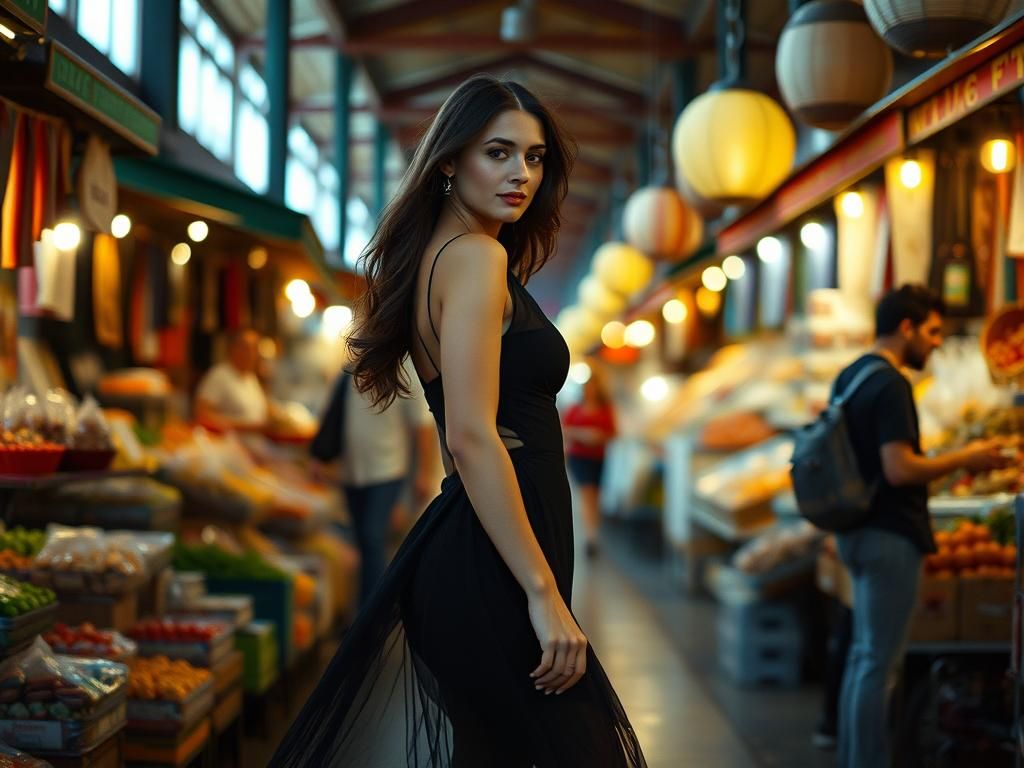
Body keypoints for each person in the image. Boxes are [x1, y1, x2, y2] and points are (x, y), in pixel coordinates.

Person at [270, 76, 645, 767]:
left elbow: (464, 434)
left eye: (534, 158)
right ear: (449, 160)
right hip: (496, 567)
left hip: (482, 550)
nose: (521, 175)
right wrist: (543, 596)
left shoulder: (444, 259)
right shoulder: (476, 257)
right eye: (498, 153)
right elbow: (470, 437)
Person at [833, 284, 1012, 768]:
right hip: (889, 534)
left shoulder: (852, 375)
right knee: (878, 663)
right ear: (906, 328)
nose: (936, 343)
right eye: (932, 332)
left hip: (853, 531)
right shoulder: (891, 384)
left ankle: (853, 757)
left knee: (862, 658)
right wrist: (967, 457)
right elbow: (899, 468)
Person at [311, 358, 440, 608]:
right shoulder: (352, 365)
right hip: (351, 473)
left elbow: (422, 425)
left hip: (386, 472)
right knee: (362, 542)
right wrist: (321, 456)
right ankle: (363, 610)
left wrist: (424, 473)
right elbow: (336, 413)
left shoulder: (403, 367)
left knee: (372, 539)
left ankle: (373, 612)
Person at [563, 369, 617, 558]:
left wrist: (599, 436)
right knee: (587, 493)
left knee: (595, 495)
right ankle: (590, 537)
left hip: (598, 457)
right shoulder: (575, 409)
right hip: (579, 456)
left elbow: (613, 433)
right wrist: (582, 434)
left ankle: (594, 532)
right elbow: (564, 429)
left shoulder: (606, 408)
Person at [194, 329, 268, 431]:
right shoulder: (219, 375)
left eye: (254, 348)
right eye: (246, 348)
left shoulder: (251, 377)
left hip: (257, 443)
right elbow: (202, 415)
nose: (251, 354)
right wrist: (245, 427)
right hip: (230, 443)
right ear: (233, 348)